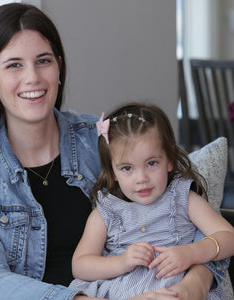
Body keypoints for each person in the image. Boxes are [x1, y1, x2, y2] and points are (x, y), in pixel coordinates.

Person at [0, 3, 228, 300]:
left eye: (43, 61)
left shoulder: (105, 138)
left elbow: (194, 219)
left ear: (59, 68)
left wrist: (196, 284)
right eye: (14, 65)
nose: (33, 77)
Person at [69, 102, 234, 299]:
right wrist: (122, 262)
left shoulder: (182, 198)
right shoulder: (106, 212)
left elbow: (228, 237)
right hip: (121, 292)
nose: (141, 179)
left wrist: (192, 252)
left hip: (175, 286)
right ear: (112, 172)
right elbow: (80, 265)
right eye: (127, 168)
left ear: (169, 160)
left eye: (151, 163)